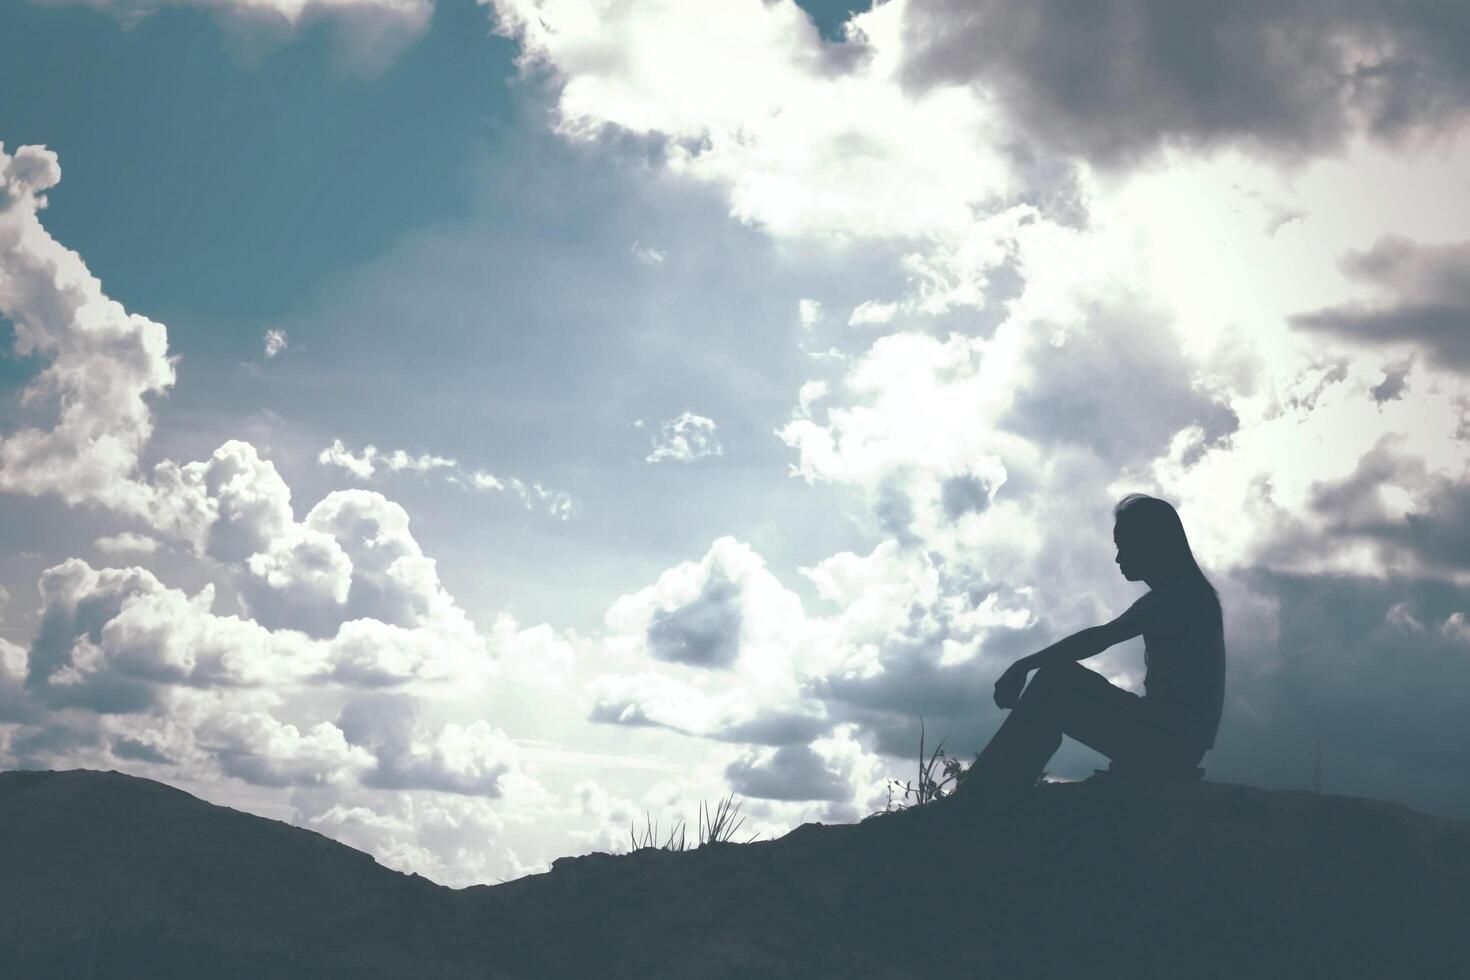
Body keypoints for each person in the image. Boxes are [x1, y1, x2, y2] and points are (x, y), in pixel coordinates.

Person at [958, 493, 1225, 802]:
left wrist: (1024, 664)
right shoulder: (1185, 595)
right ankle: (992, 790)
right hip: (1171, 742)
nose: (1118, 558)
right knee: (1056, 681)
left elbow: (1100, 638)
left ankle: (985, 796)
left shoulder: (1180, 597)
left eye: (1123, 546)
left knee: (1055, 681)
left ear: (1151, 544)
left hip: (1168, 746)